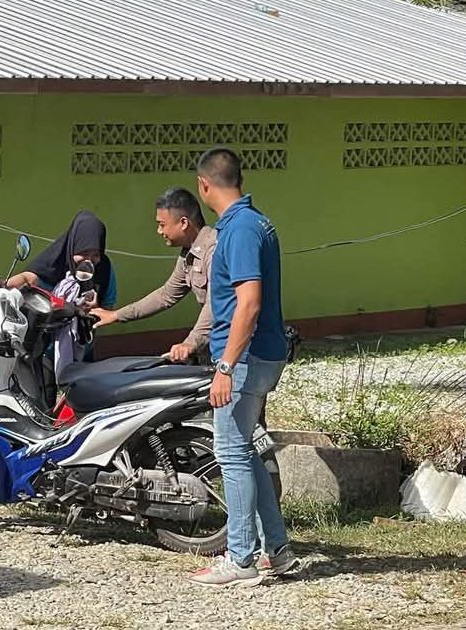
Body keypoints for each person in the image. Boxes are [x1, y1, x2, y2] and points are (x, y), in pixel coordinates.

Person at [187, 148, 300, 588]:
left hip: (245, 360)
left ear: (204, 185)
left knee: (231, 454)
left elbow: (248, 303)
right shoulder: (255, 223)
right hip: (260, 355)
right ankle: (278, 549)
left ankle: (240, 558)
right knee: (246, 452)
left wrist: (225, 366)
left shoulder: (239, 230)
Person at [91, 187, 215, 363]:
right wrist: (117, 315)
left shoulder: (213, 251)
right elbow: (166, 295)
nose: (159, 231)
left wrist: (190, 343)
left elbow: (215, 303)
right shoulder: (189, 253)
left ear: (183, 223)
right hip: (214, 345)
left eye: (162, 224)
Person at [0, 210, 117, 309]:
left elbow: (108, 307)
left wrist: (95, 309)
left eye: (96, 255)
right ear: (73, 247)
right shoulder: (55, 262)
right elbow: (28, 279)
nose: (89, 260)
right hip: (44, 331)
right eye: (84, 253)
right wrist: (3, 284)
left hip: (82, 334)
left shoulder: (104, 269)